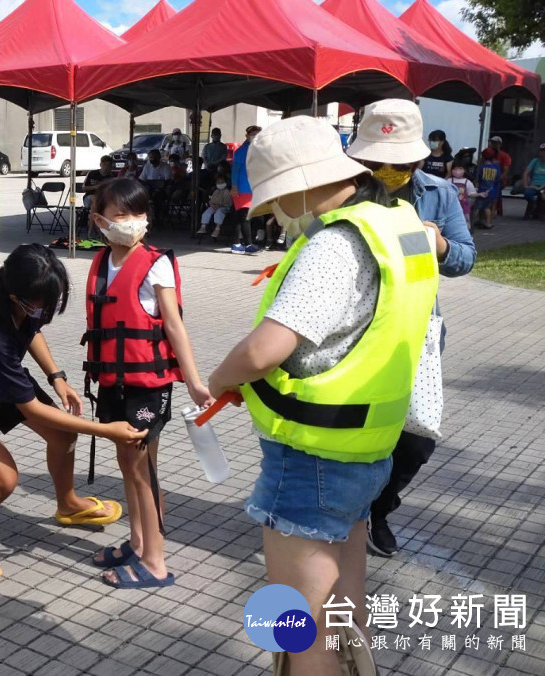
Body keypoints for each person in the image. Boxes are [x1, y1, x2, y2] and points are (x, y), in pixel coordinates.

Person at [208, 116, 438, 675]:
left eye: (276, 201)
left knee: (295, 626)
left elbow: (267, 348)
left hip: (310, 457)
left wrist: (219, 378)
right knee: (344, 610)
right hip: (367, 449)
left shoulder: (335, 245)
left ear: (298, 186)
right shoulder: (401, 223)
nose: (278, 216)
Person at [0, 244, 146, 580]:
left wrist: (57, 377)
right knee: (3, 479)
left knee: (64, 432)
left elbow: (31, 330)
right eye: (38, 304)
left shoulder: (24, 297)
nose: (44, 310)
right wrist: (107, 430)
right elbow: (31, 407)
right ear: (14, 294)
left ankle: (67, 504)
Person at [345, 99, 476, 558]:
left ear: (419, 156)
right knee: (354, 431)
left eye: (398, 160)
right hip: (355, 331)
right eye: (377, 160)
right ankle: (347, 515)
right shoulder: (346, 190)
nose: (388, 168)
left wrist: (439, 244)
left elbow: (465, 256)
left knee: (416, 439)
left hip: (417, 332)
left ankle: (379, 509)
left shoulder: (438, 193)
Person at [85, 179, 212, 589]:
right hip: (113, 379)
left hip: (147, 384)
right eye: (122, 215)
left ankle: (156, 561)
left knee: (144, 469)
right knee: (127, 464)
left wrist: (194, 382)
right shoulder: (102, 261)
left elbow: (174, 325)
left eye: (138, 213)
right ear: (99, 220)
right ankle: (138, 543)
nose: (133, 223)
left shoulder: (154, 263)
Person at [82, 156, 118, 238]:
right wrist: (96, 187)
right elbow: (84, 188)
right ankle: (94, 230)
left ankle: (92, 231)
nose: (106, 167)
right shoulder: (92, 174)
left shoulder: (112, 177)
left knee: (95, 207)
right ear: (100, 164)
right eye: (104, 165)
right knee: (95, 200)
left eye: (108, 165)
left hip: (105, 199)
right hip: (89, 197)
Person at [196, 167, 232, 237]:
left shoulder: (227, 192)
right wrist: (212, 204)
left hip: (224, 207)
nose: (220, 184)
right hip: (214, 206)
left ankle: (217, 228)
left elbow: (227, 203)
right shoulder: (216, 191)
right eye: (218, 182)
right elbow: (212, 200)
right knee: (207, 212)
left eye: (222, 182)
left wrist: (219, 206)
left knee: (219, 213)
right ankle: (203, 226)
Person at [473, 148, 502, 230]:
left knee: (476, 207)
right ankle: (488, 223)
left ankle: (471, 222)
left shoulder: (481, 167)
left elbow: (477, 178)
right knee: (487, 207)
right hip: (491, 191)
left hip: (482, 191)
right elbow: (498, 178)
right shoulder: (495, 168)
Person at [520, 142, 545, 220]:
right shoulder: (535, 161)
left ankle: (541, 213)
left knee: (543, 195)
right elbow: (526, 173)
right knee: (527, 193)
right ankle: (533, 206)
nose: (543, 153)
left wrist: (541, 187)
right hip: (534, 185)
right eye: (542, 150)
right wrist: (526, 185)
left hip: (543, 186)